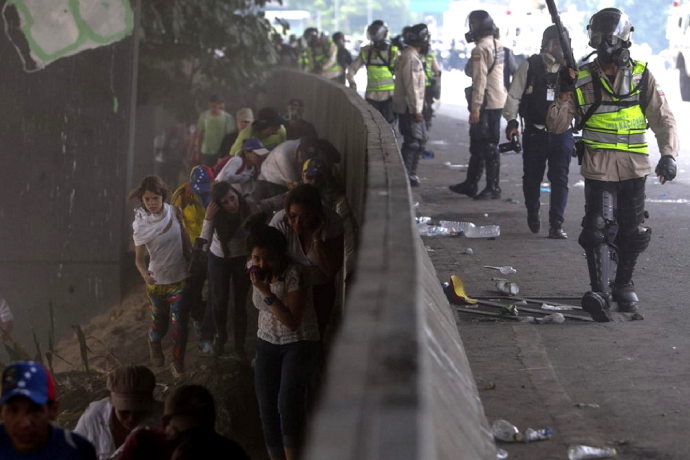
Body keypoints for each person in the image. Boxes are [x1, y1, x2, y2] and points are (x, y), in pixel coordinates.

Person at [546, 8, 679, 321]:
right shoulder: (579, 76)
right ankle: (599, 291)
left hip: (634, 167)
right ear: (592, 39)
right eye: (600, 37)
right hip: (599, 166)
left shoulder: (641, 75)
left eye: (611, 37)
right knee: (595, 230)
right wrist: (563, 90)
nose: (605, 44)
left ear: (624, 40)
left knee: (632, 231)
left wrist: (669, 154)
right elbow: (556, 125)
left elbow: (663, 118)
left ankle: (623, 285)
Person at [245, 215, 320, 460]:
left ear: (281, 256)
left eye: (269, 258)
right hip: (266, 340)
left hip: (299, 341)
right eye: (256, 258)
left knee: (287, 405)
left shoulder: (295, 274)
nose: (261, 264)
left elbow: (292, 322)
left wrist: (266, 292)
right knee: (266, 407)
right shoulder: (253, 269)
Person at [503, 26, 574, 239]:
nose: (560, 48)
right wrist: (512, 122)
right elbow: (514, 96)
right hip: (535, 131)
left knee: (560, 179)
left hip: (562, 132)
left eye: (563, 44)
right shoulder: (530, 66)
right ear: (547, 45)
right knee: (532, 177)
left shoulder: (572, 69)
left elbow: (581, 101)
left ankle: (556, 224)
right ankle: (533, 211)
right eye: (556, 43)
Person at [130, 176, 191, 377]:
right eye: (147, 199)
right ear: (142, 200)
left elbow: (184, 238)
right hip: (157, 284)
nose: (152, 203)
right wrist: (144, 274)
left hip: (179, 280)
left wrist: (192, 257)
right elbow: (139, 260)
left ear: (162, 196)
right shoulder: (141, 225)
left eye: (155, 198)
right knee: (160, 326)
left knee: (179, 326)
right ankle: (153, 340)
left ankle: (178, 363)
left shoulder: (174, 212)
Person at [270, 185, 344, 338]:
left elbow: (330, 271)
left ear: (316, 214)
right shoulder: (280, 222)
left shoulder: (332, 222)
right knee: (290, 333)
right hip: (289, 283)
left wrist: (316, 240)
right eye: (292, 216)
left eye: (304, 217)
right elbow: (271, 261)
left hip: (320, 285)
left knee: (317, 332)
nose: (297, 223)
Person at [449, 10, 507, 199]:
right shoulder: (498, 44)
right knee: (478, 144)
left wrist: (475, 108)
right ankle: (471, 183)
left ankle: (492, 188)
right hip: (496, 100)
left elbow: (480, 80)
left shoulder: (480, 49)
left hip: (486, 104)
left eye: (472, 25)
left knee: (487, 146)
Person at [197, 182, 252, 359]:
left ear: (236, 194)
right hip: (218, 258)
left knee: (240, 303)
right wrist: (208, 219)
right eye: (226, 202)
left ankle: (239, 345)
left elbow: (270, 203)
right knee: (219, 300)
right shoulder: (216, 214)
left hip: (242, 258)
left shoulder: (247, 207)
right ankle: (220, 337)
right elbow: (204, 240)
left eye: (232, 198)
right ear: (219, 205)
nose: (232, 204)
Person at [121, 384, 248, 460]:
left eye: (202, 435)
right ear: (165, 424)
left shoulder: (229, 452)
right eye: (186, 435)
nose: (195, 444)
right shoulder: (143, 446)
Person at [0, 361, 97, 459]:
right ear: (1, 412)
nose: (24, 424)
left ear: (53, 410)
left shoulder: (76, 450)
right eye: (13, 411)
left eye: (34, 410)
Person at [75, 366, 162, 460]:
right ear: (111, 401)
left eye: (139, 412)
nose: (131, 418)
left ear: (150, 403)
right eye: (125, 412)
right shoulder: (94, 416)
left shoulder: (163, 420)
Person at [393, 23, 430, 186]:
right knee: (413, 142)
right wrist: (417, 109)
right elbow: (412, 86)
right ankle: (406, 175)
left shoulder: (410, 56)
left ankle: (411, 174)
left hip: (413, 106)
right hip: (410, 108)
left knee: (420, 141)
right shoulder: (410, 58)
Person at [347, 20, 399, 125]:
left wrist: (351, 81)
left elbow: (400, 72)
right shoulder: (367, 51)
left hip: (387, 95)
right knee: (376, 124)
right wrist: (352, 81)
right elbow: (352, 69)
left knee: (383, 124)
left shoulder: (392, 51)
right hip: (376, 95)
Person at [196, 94, 234, 167]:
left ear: (219, 105)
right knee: (206, 172)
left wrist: (229, 153)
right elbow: (199, 135)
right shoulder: (204, 116)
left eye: (215, 105)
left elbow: (230, 137)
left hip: (221, 152)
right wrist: (198, 152)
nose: (213, 108)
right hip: (206, 152)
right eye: (211, 105)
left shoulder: (227, 117)